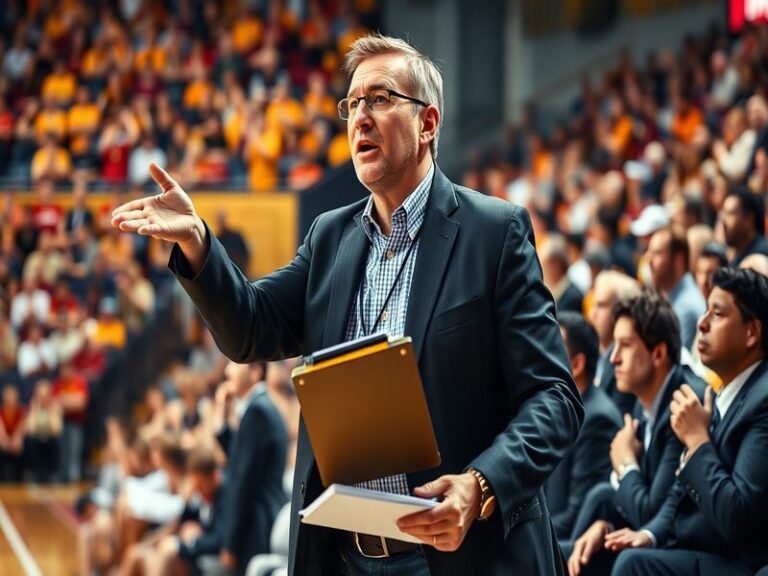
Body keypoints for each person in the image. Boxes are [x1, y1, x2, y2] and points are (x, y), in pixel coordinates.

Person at [113, 33, 583, 576]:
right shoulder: (330, 237)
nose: (360, 116)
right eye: (352, 103)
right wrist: (197, 242)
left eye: (380, 99)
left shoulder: (493, 233)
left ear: (428, 124)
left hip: (458, 557)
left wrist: (480, 485)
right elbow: (251, 329)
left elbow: (554, 398)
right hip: (347, 559)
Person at [605, 268, 768, 574]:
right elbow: (680, 496)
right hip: (701, 549)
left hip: (742, 563)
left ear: (751, 333)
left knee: (632, 566)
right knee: (616, 547)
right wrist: (650, 535)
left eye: (717, 313)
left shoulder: (762, 399)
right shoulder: (727, 393)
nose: (701, 323)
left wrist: (697, 441)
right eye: (705, 310)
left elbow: (740, 522)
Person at [566, 290, 705, 576]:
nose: (613, 358)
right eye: (614, 345)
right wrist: (606, 525)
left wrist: (626, 462)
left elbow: (650, 515)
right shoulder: (645, 402)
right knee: (600, 500)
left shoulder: (682, 405)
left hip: (688, 542)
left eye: (625, 345)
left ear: (658, 353)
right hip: (655, 528)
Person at [546, 312, 621, 540]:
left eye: (552, 349)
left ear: (576, 364)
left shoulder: (597, 419)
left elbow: (576, 517)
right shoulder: (560, 407)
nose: (541, 357)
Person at [214, 362, 288, 573]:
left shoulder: (257, 412)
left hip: (256, 524)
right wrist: (223, 411)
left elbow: (242, 482)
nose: (227, 371)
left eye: (234, 365)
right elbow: (240, 459)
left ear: (255, 372)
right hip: (258, 518)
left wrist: (230, 543)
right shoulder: (260, 407)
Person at [645, 226, 706, 352]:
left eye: (657, 253)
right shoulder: (672, 298)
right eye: (649, 252)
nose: (649, 260)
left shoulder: (687, 308)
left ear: (678, 259)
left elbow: (675, 364)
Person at [589, 270, 641, 415]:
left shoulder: (627, 364)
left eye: (601, 305)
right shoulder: (597, 353)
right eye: (593, 304)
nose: (592, 314)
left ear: (621, 310)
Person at [719, 185, 768, 267]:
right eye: (723, 213)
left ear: (749, 218)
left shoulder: (761, 256)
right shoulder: (735, 254)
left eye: (730, 214)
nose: (723, 221)